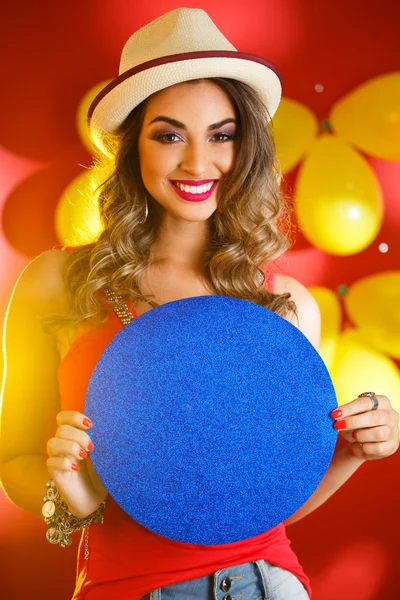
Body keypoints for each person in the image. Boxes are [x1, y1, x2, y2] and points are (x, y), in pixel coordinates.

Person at [0, 7, 398, 600]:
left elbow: (265, 506)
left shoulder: (287, 305)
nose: (196, 162)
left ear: (248, 146)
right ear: (134, 145)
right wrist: (73, 496)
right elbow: (15, 459)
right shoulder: (56, 282)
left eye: (221, 134)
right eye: (168, 135)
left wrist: (348, 451)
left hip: (272, 582)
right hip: (129, 587)